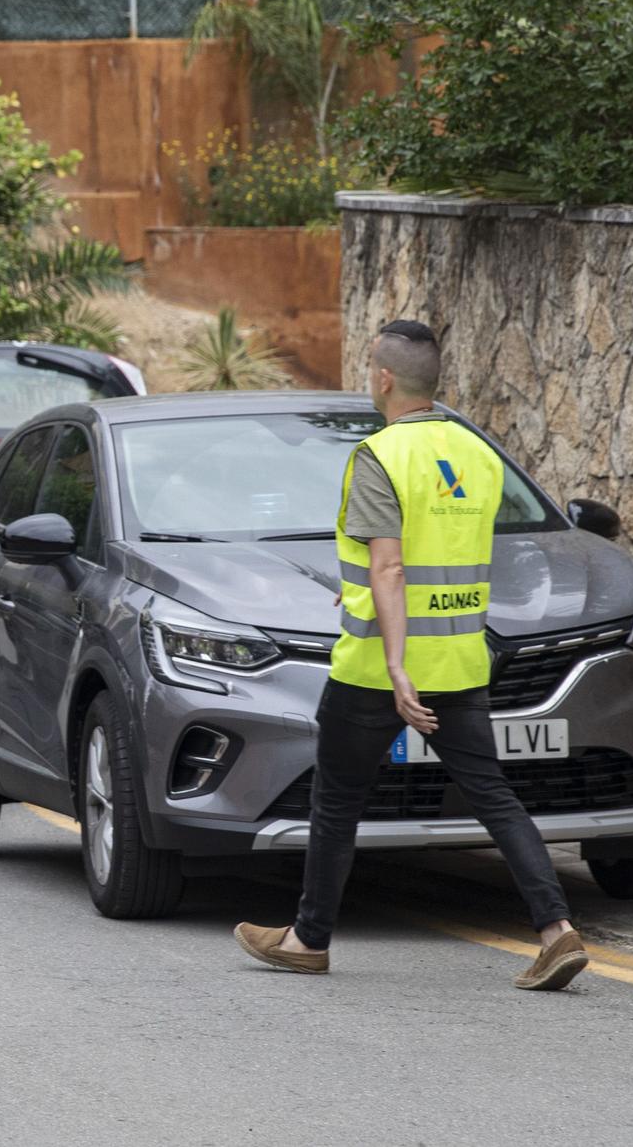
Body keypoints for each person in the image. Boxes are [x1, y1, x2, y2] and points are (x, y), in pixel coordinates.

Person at [233, 320, 588, 991]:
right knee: (493, 793)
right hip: (459, 662)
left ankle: (309, 938)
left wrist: (396, 665)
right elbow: (439, 559)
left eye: (370, 367)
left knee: (336, 801)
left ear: (385, 378)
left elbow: (392, 567)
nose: (369, 376)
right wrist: (366, 594)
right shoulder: (478, 453)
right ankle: (557, 930)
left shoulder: (380, 456)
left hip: (377, 669)